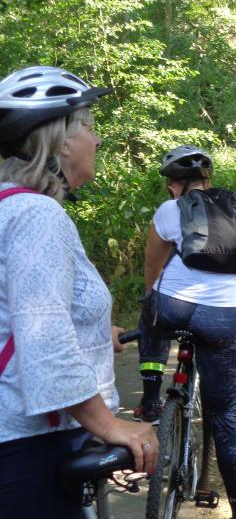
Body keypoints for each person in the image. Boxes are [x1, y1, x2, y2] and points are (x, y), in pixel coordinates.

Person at [0, 66, 158, 518]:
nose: (98, 140)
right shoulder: (36, 216)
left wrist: (90, 327)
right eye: (89, 127)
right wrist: (109, 425)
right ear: (61, 141)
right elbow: (44, 342)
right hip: (28, 449)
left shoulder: (10, 206)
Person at [136, 145, 236, 519]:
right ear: (209, 180)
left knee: (152, 313)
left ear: (174, 185)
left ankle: (150, 397)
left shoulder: (168, 210)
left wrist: (152, 301)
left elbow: (152, 264)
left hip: (174, 308)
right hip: (227, 316)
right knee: (226, 412)